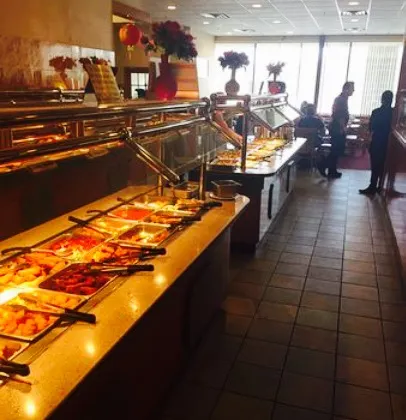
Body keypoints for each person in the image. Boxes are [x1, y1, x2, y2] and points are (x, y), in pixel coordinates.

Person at [359, 90, 394, 195]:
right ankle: (380, 186)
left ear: (382, 99)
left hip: (377, 141)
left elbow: (371, 128)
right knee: (384, 165)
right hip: (389, 143)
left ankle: (372, 186)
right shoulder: (394, 113)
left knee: (375, 165)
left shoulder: (376, 112)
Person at [323, 81, 355, 178]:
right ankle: (322, 164)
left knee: (336, 150)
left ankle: (332, 170)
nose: (353, 90)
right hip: (337, 128)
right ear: (346, 89)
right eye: (352, 88)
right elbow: (340, 116)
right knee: (336, 150)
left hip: (337, 127)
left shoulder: (342, 99)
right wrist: (343, 128)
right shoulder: (341, 100)